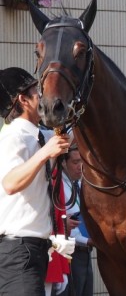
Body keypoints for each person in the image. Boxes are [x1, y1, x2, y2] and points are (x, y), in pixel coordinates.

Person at [0, 67, 75, 296]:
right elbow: (10, 183)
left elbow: (75, 134)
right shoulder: (13, 136)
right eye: (37, 92)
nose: (43, 97)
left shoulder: (40, 135)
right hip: (18, 249)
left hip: (36, 249)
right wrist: (44, 154)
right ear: (23, 99)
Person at [62, 144, 94, 296]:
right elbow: (66, 222)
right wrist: (86, 241)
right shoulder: (59, 186)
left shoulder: (81, 184)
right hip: (70, 251)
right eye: (75, 162)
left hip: (86, 251)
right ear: (64, 163)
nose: (80, 167)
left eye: (82, 162)